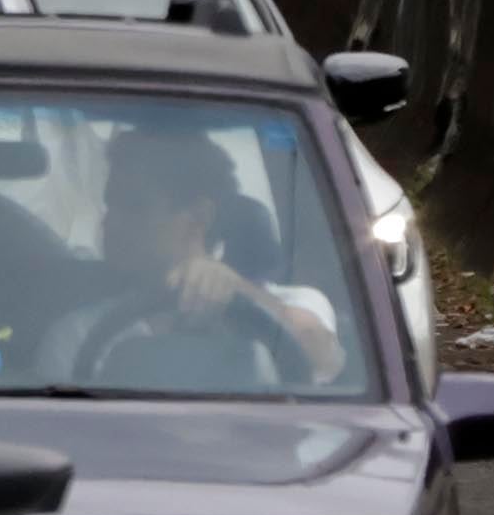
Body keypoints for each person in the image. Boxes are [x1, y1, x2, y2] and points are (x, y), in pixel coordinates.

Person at [34, 126, 345, 390]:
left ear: (199, 216)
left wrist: (237, 290)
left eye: (134, 206)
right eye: (110, 204)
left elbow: (322, 359)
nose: (110, 221)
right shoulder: (79, 333)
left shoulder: (297, 302)